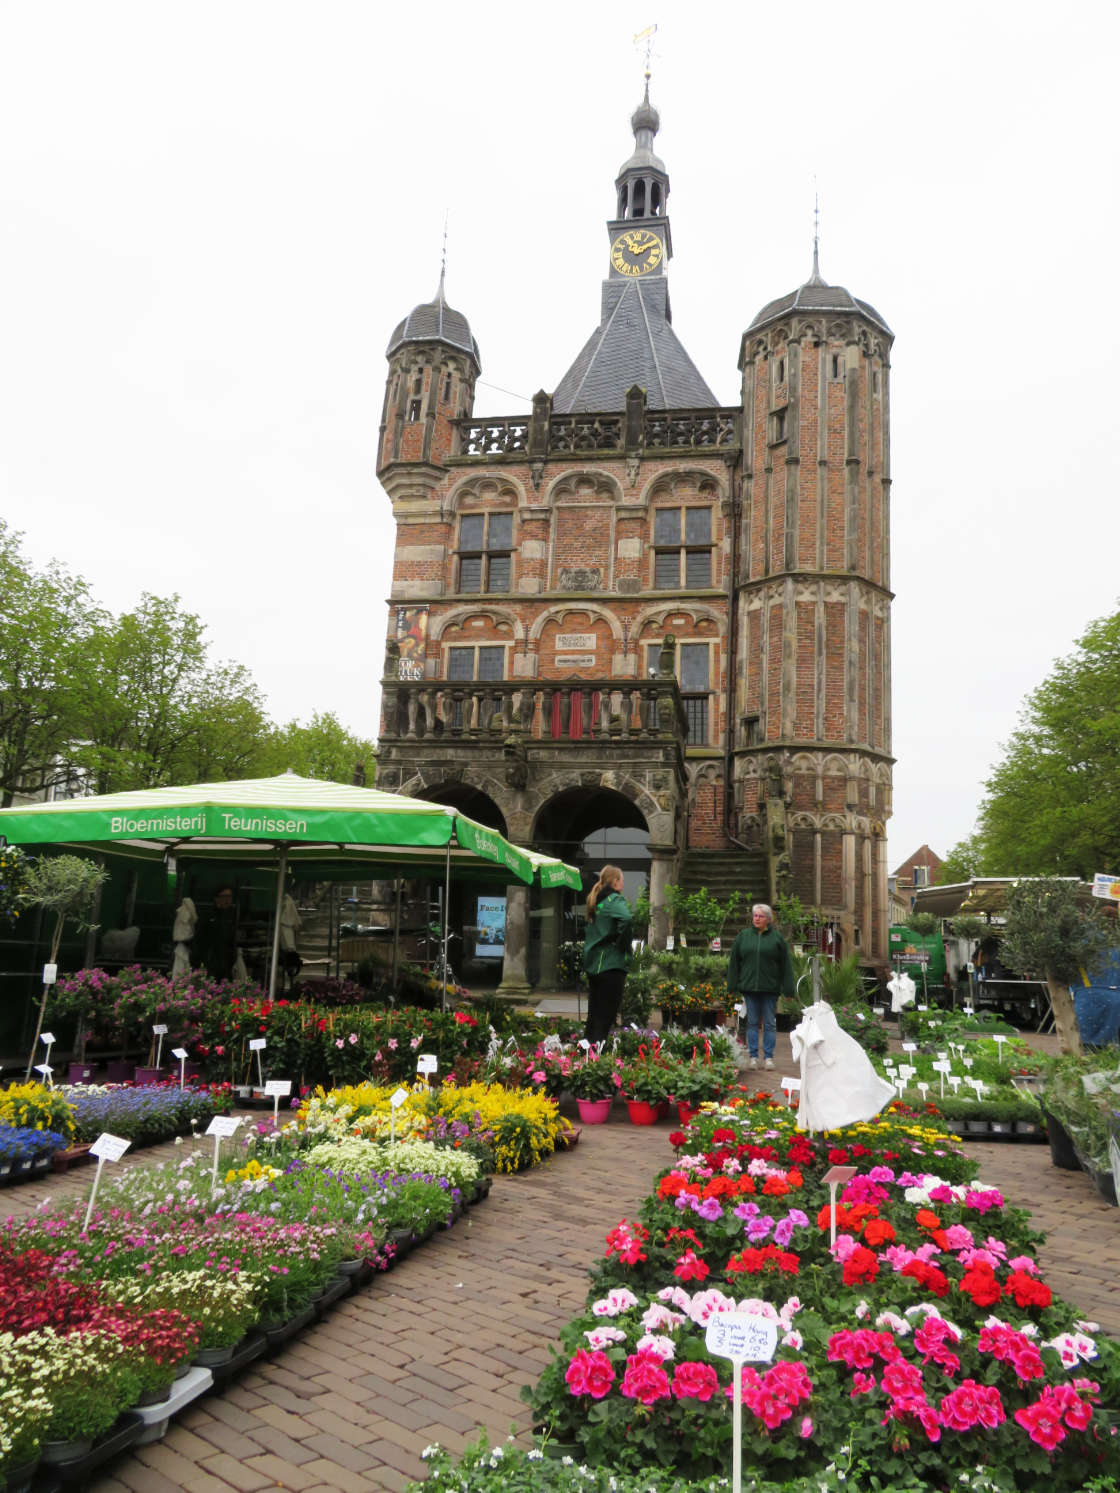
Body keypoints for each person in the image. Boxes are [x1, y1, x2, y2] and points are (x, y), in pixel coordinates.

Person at [727, 902, 795, 1070]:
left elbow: (785, 965)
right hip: (749, 988)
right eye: (755, 916)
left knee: (770, 1024)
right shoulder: (743, 937)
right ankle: (753, 1057)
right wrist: (732, 985)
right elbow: (734, 962)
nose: (757, 918)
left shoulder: (777, 939)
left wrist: (788, 988)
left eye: (760, 916)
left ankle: (769, 1058)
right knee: (751, 1023)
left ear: (768, 919)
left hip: (770, 988)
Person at [583, 865, 632, 1046]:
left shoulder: (596, 902)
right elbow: (626, 919)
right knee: (605, 1017)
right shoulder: (614, 900)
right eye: (622, 880)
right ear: (616, 882)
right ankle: (597, 1056)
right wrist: (622, 944)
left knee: (593, 1016)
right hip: (610, 965)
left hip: (594, 964)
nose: (624, 883)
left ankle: (585, 1055)